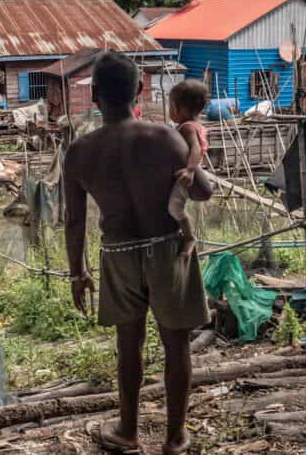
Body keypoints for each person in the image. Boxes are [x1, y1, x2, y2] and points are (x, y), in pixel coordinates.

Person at [64, 51, 213, 455]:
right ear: (140, 90)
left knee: (128, 345)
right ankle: (175, 437)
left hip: (117, 253)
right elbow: (202, 191)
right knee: (176, 344)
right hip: (167, 250)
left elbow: (74, 221)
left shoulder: (79, 152)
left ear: (95, 95)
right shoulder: (164, 136)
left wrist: (77, 273)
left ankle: (128, 431)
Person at [167, 80, 210, 258]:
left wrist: (190, 170)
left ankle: (189, 237)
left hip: (187, 175)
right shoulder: (195, 125)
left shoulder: (187, 128)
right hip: (190, 171)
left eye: (170, 106)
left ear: (179, 108)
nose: (169, 110)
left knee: (174, 208)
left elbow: (195, 148)